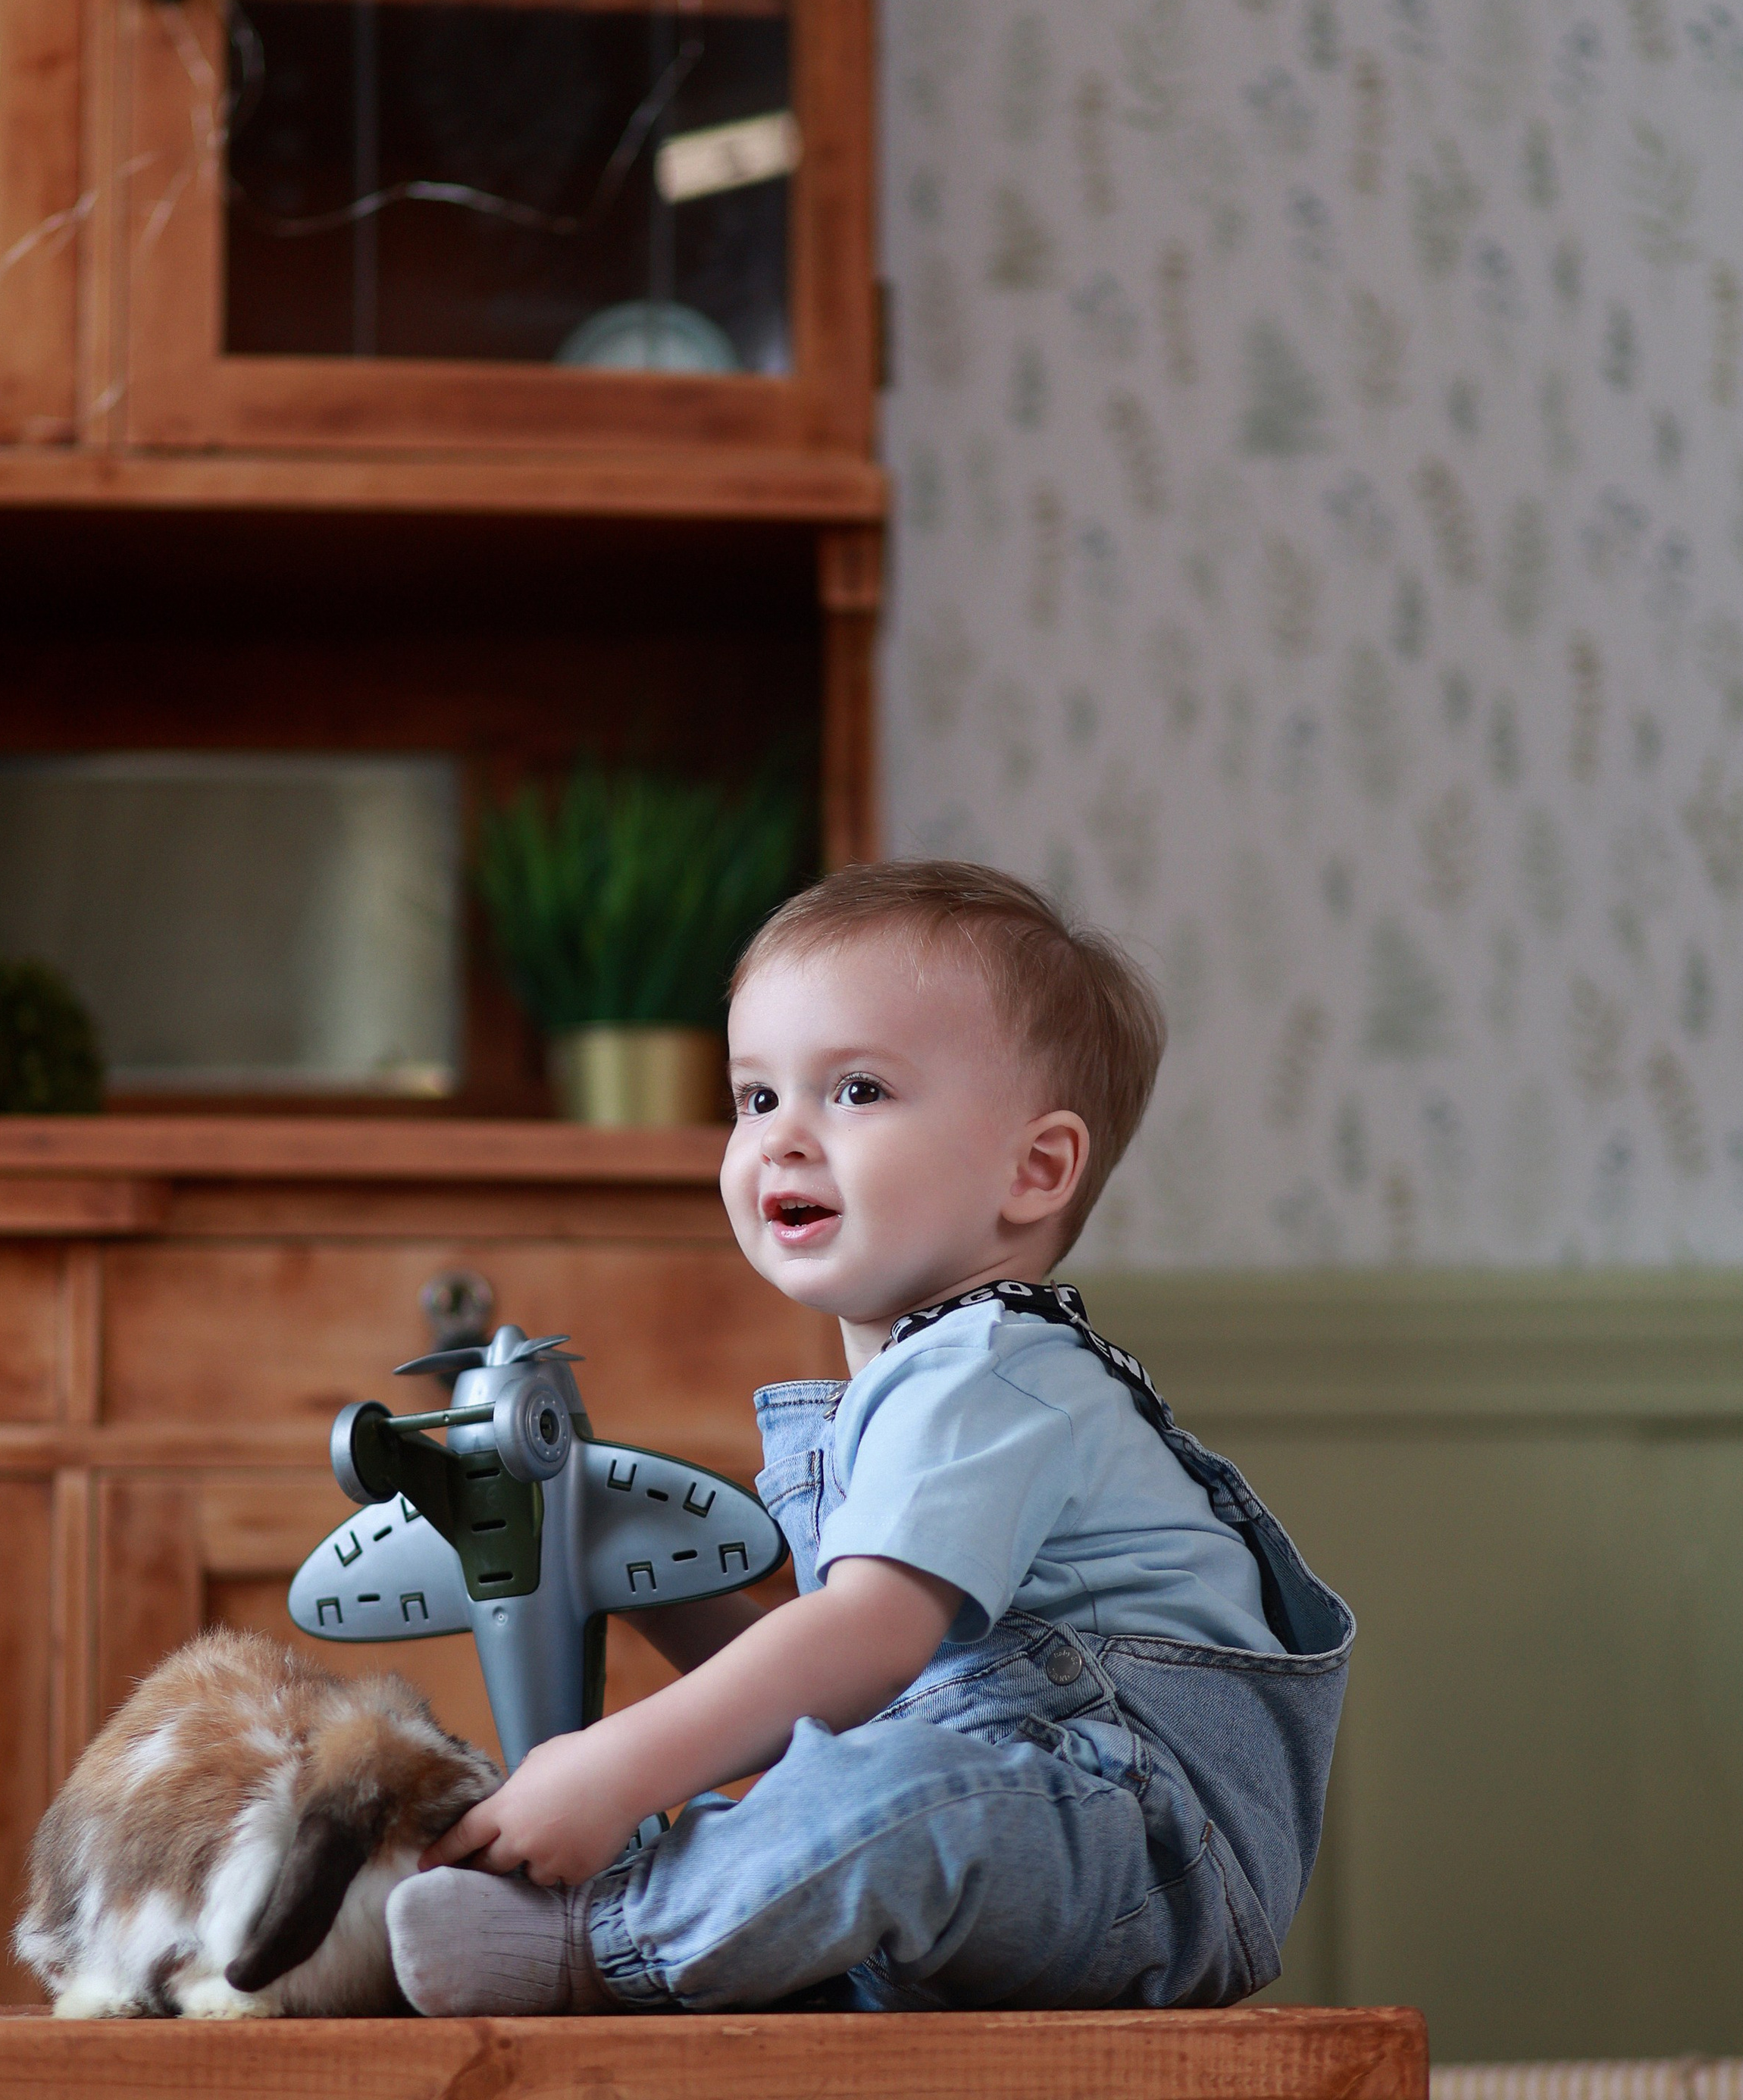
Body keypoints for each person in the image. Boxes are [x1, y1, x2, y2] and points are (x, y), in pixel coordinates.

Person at [385, 859, 1352, 2017]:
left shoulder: (993, 1367)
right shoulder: (903, 1387)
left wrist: (615, 1765)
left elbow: (869, 1644)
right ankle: (709, 1930)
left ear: (1034, 1168)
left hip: (1146, 1854)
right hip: (1002, 1825)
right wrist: (629, 1574)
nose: (783, 1138)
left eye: (855, 1090)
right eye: (754, 1098)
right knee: (843, 1788)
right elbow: (830, 1685)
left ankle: (605, 1941)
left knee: (883, 1798)